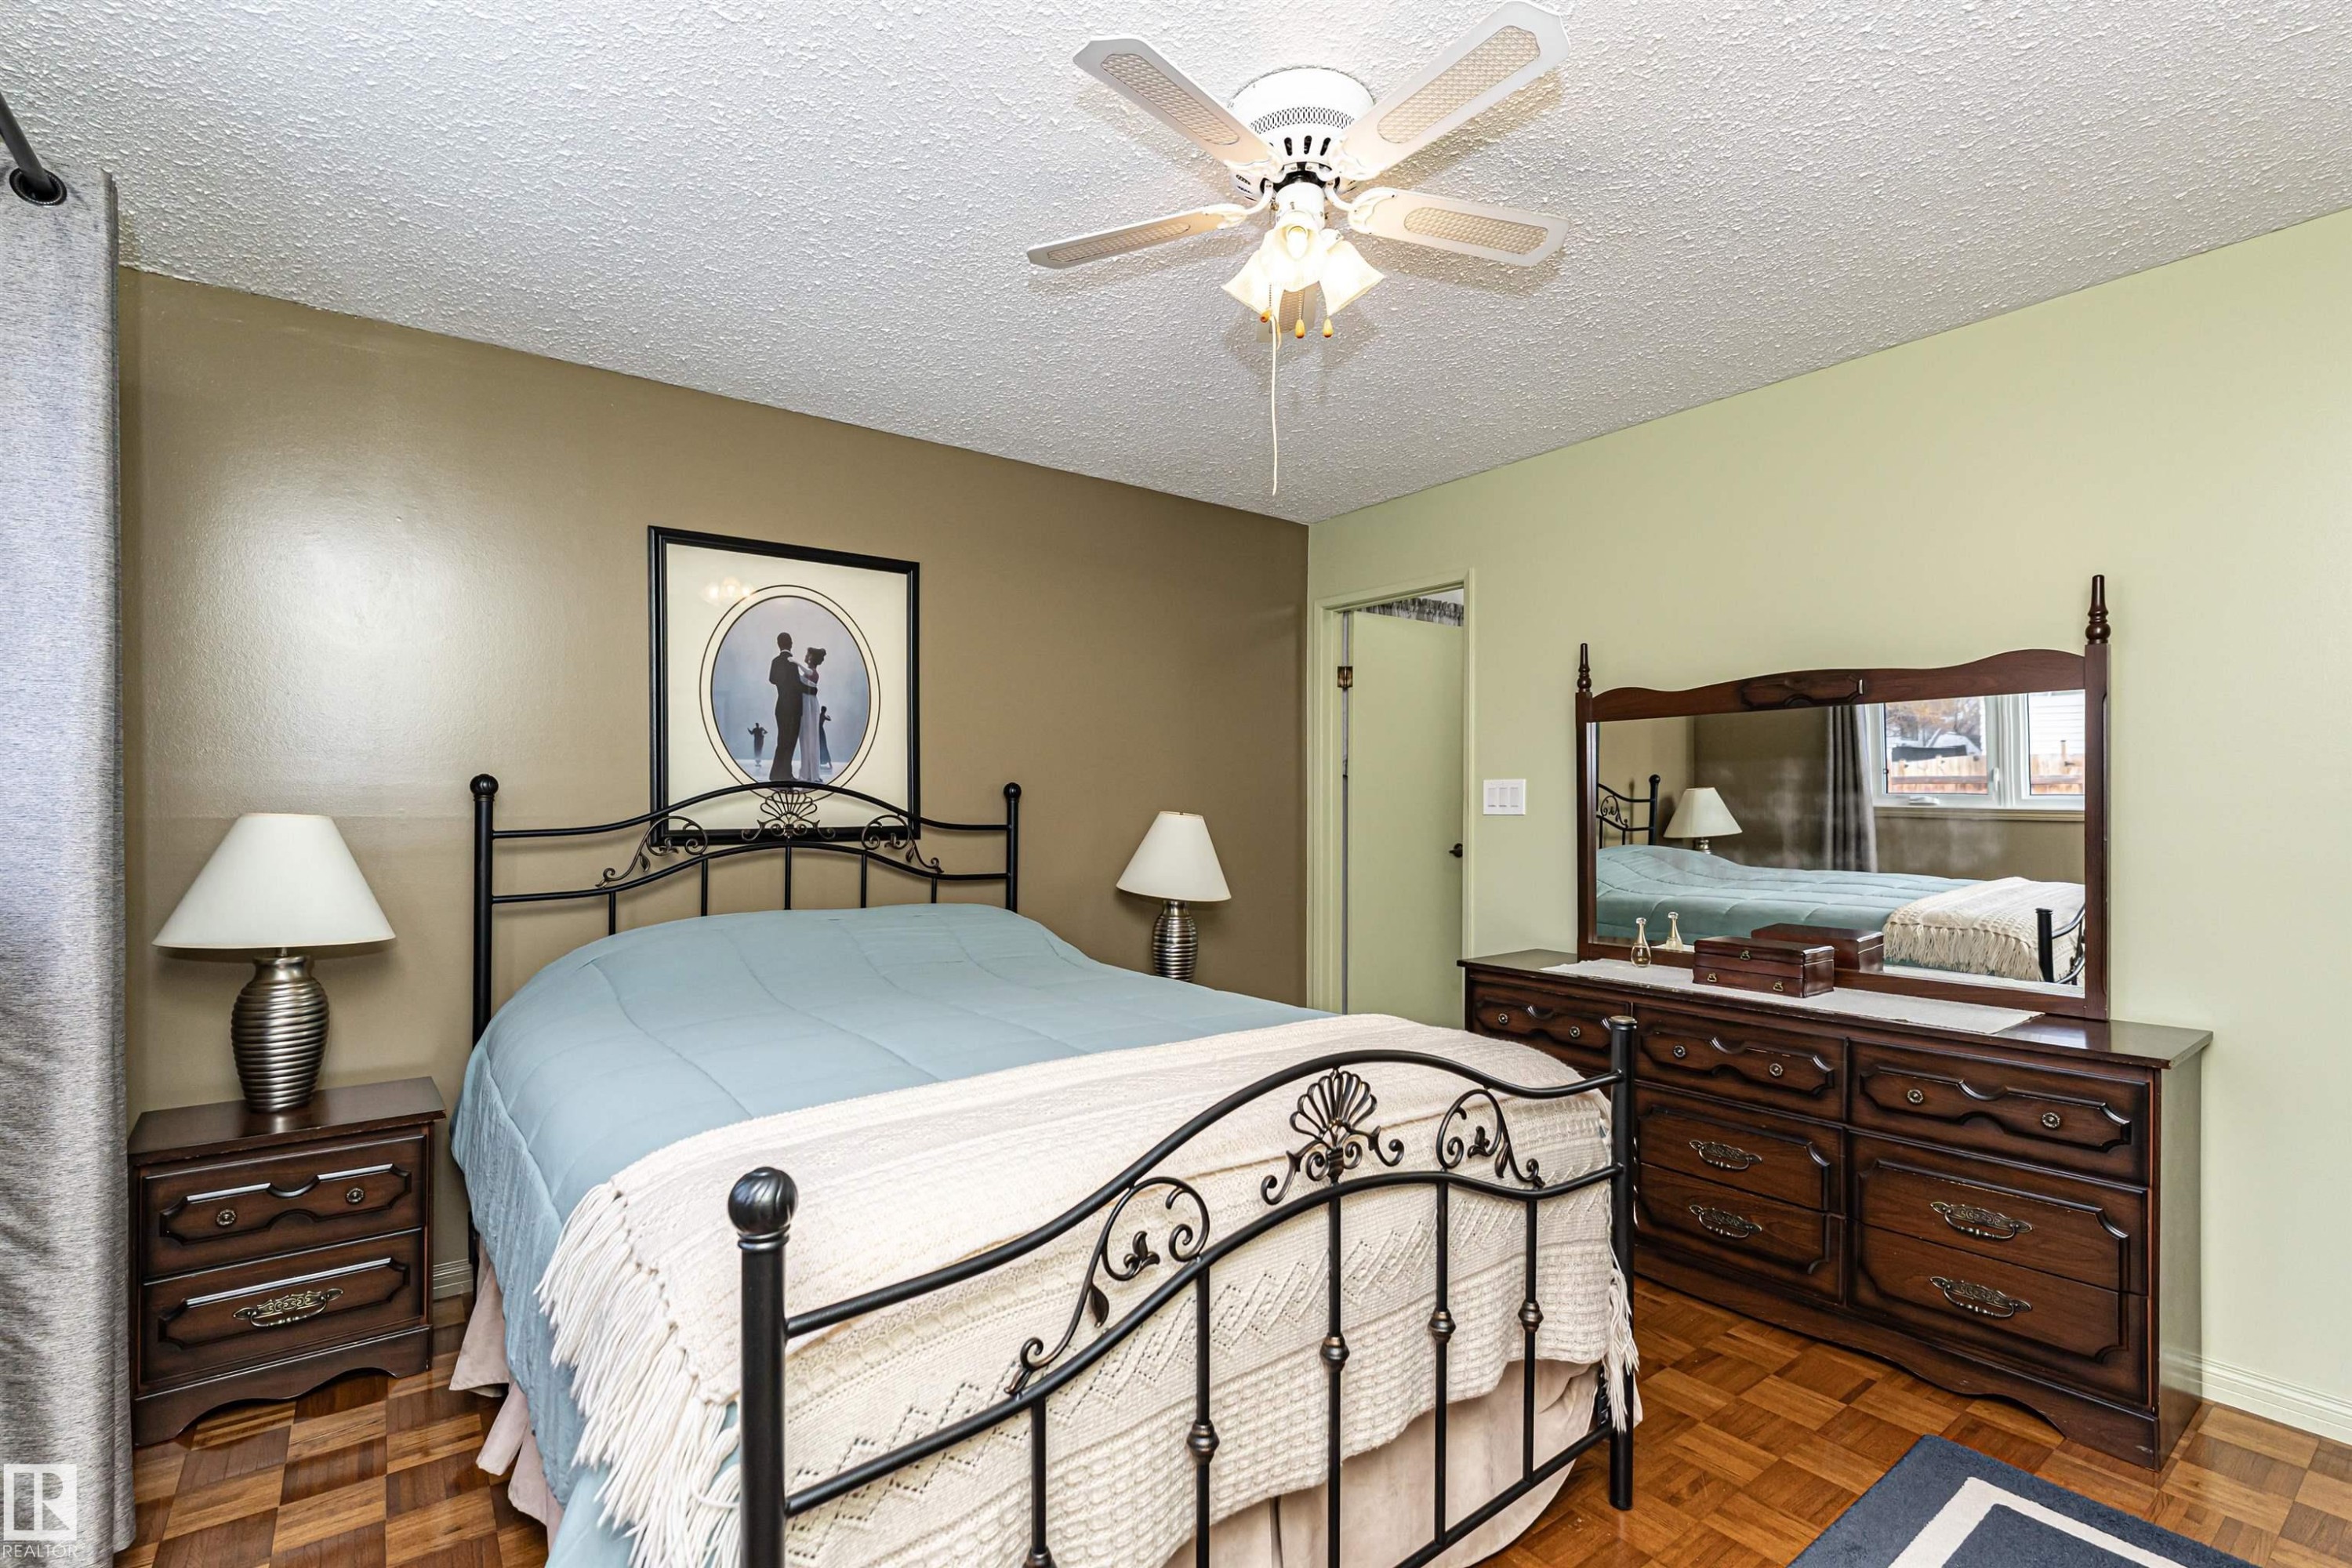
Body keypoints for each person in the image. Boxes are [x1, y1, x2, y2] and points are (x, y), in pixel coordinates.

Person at [767, 633, 811, 783]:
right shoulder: (792, 663)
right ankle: (785, 774)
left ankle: (775, 774)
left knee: (782, 740)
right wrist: (812, 689)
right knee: (790, 742)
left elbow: (772, 679)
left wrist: (783, 682)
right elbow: (797, 685)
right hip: (793, 708)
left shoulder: (775, 661)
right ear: (791, 643)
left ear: (778, 644)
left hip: (781, 706)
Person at [795, 648, 827, 782]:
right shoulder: (810, 673)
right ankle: (808, 771)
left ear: (811, 658)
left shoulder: (813, 673)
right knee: (806, 737)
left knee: (809, 737)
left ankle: (810, 772)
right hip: (807, 704)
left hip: (809, 705)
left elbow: (804, 680)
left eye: (808, 654)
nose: (806, 656)